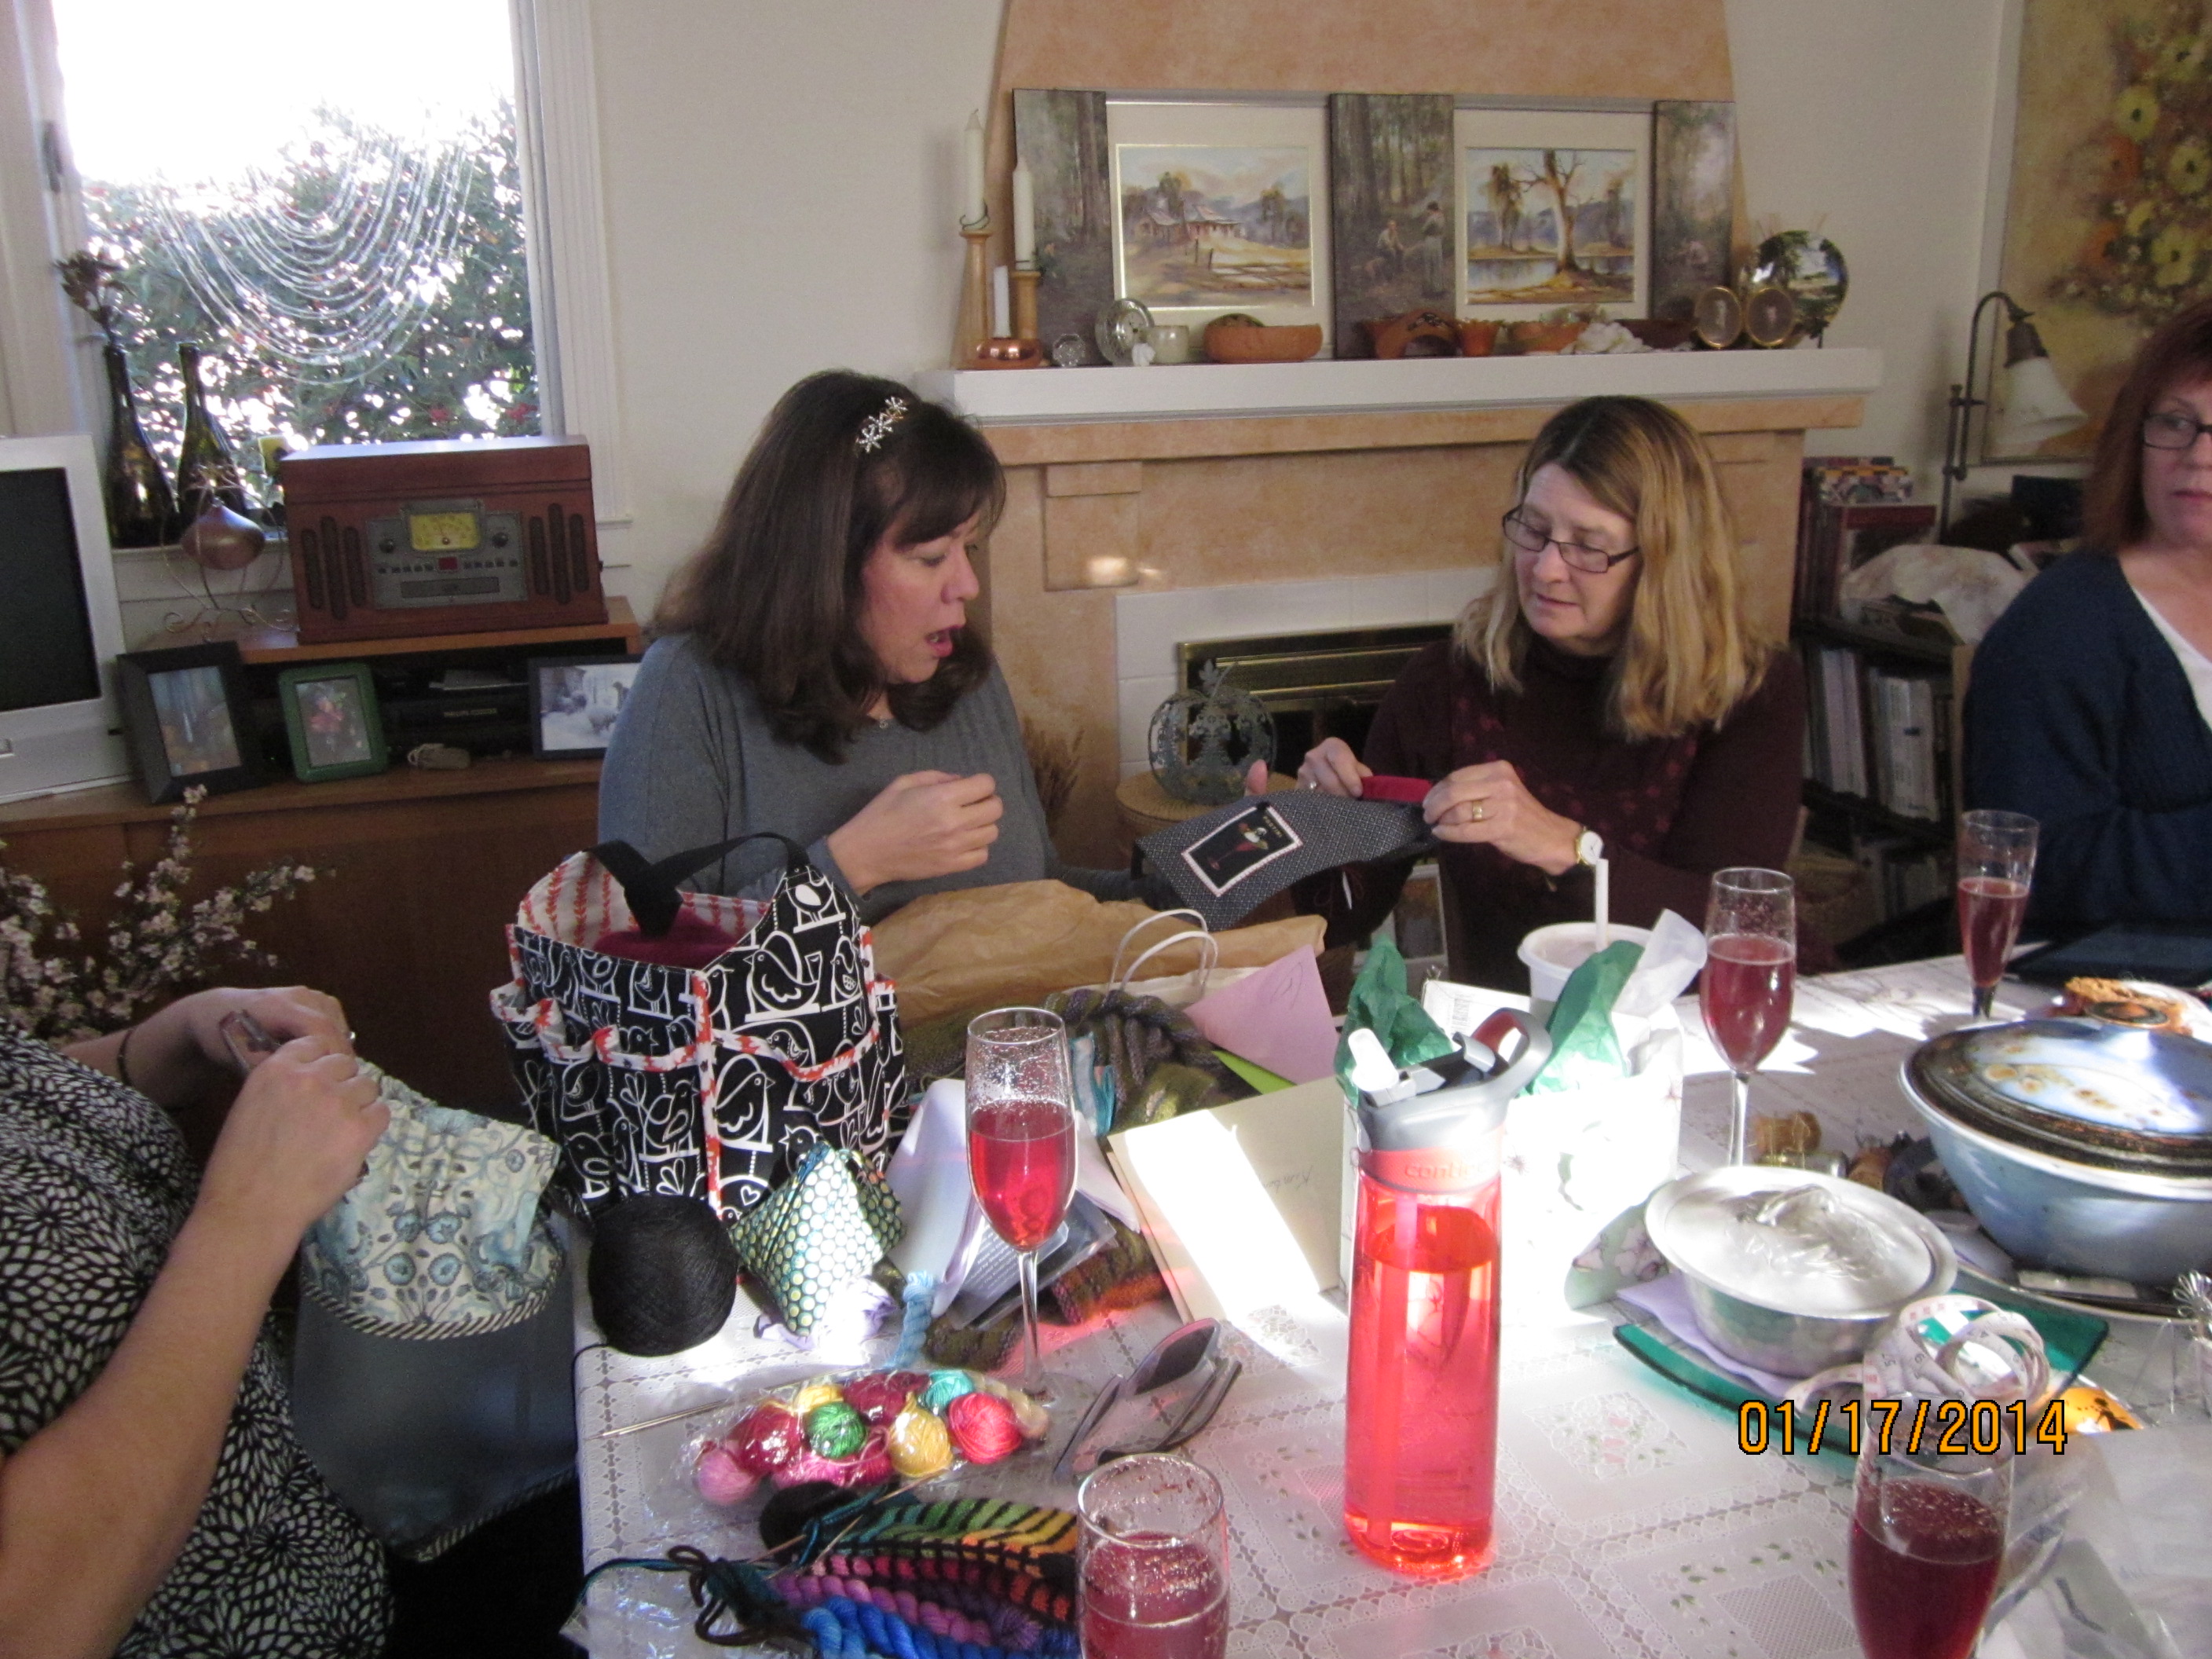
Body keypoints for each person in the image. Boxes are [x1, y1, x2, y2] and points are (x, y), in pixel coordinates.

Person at [1284, 395, 1810, 990]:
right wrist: (1313, 824)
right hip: (1510, 1030)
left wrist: (1571, 849)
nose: (1545, 569)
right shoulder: (1446, 682)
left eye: (1587, 545)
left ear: (1663, 560)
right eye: (1534, 530)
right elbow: (1344, 918)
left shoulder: (1748, 689)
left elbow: (1738, 927)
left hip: (1688, 1021)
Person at [600, 370, 1140, 920]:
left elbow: (1040, 889)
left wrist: (1188, 869)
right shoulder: (688, 690)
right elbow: (640, 950)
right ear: (824, 564)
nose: (967, 585)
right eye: (931, 557)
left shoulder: (965, 677)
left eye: (969, 550)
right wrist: (855, 863)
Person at [0, 987, 390, 1657]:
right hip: (255, 1625)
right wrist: (250, 1215)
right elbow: (31, 1622)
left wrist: (175, 1039)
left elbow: (25, 1103)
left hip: (341, 1505)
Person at [1965, 296, 2212, 934]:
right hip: (2118, 979)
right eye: (2176, 422)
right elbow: (2041, 875)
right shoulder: (2059, 629)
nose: (2198, 456)